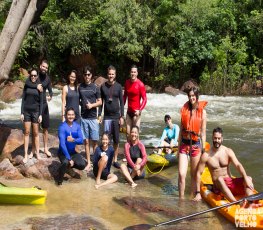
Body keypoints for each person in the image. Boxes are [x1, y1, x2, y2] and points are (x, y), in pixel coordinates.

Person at [193, 127, 254, 203]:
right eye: (215, 138)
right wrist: (198, 193)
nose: (217, 141)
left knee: (249, 178)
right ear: (212, 138)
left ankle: (250, 200)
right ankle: (235, 202)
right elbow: (198, 173)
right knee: (220, 178)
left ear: (222, 138)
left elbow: (238, 165)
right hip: (218, 187)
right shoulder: (206, 155)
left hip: (230, 184)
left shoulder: (227, 151)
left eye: (219, 138)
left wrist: (245, 178)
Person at [178, 87, 207, 198]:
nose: (191, 98)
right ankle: (181, 199)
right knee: (181, 174)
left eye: (193, 96)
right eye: (189, 96)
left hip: (195, 145)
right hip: (184, 145)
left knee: (194, 175)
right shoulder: (184, 110)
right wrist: (178, 145)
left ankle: (191, 196)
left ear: (197, 96)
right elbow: (181, 131)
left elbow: (203, 133)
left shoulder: (203, 113)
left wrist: (203, 149)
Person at [24, 59, 53, 157]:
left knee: (45, 127)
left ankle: (45, 148)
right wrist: (37, 86)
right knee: (34, 129)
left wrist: (50, 96)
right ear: (40, 66)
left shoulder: (48, 78)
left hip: (44, 105)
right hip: (35, 105)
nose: (45, 68)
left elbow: (50, 90)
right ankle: (33, 150)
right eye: (43, 66)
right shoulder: (35, 75)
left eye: (46, 67)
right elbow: (27, 83)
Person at [99, 65, 124, 169]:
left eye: (112, 74)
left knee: (116, 140)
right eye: (109, 74)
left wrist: (122, 116)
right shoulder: (103, 86)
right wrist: (99, 115)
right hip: (107, 117)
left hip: (116, 117)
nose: (111, 76)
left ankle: (115, 159)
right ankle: (107, 157)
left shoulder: (118, 86)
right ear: (107, 74)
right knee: (106, 139)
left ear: (115, 75)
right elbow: (101, 102)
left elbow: (122, 103)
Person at [79, 66, 102, 171]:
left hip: (93, 118)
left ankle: (95, 162)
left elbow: (100, 102)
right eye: (85, 74)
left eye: (88, 74)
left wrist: (92, 105)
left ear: (91, 75)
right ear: (83, 76)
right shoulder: (80, 87)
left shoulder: (95, 87)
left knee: (95, 142)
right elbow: (78, 100)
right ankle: (88, 163)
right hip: (83, 118)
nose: (87, 76)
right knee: (86, 142)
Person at [57, 108, 86, 185]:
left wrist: (73, 140)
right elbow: (62, 144)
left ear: (74, 115)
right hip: (63, 153)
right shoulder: (62, 127)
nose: (71, 116)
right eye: (69, 114)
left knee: (82, 165)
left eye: (72, 115)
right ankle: (59, 183)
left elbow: (81, 140)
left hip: (73, 152)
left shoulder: (77, 126)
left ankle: (68, 168)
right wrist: (69, 159)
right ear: (66, 116)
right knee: (65, 162)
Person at [21, 68, 43, 163]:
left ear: (37, 76)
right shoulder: (27, 85)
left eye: (35, 75)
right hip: (26, 111)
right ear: (30, 75)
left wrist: (40, 114)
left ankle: (37, 153)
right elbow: (23, 99)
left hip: (36, 112)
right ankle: (26, 155)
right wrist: (21, 112)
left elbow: (41, 102)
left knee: (36, 133)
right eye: (32, 75)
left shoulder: (40, 86)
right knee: (26, 132)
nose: (33, 77)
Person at [123, 65, 147, 139]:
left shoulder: (140, 84)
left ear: (137, 73)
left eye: (134, 72)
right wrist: (121, 108)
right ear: (130, 73)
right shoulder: (127, 83)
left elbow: (145, 99)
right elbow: (124, 96)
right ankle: (128, 150)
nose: (133, 73)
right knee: (127, 133)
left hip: (136, 113)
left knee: (135, 134)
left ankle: (136, 150)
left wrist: (139, 110)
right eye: (132, 72)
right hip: (128, 112)